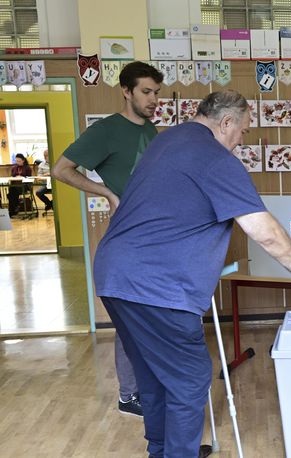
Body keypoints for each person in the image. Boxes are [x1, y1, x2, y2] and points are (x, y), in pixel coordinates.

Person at [93, 90, 291, 458]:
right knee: (189, 379)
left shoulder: (168, 138)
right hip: (156, 286)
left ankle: (162, 451)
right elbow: (262, 230)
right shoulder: (215, 159)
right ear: (227, 122)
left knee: (153, 375)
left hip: (114, 276)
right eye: (244, 131)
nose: (242, 141)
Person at [52, 61, 163, 419]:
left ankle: (146, 386)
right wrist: (106, 193)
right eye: (146, 92)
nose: (153, 99)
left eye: (156, 93)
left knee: (150, 316)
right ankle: (129, 394)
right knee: (131, 317)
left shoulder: (152, 130)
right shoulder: (107, 131)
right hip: (127, 240)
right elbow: (60, 169)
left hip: (152, 237)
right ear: (127, 91)